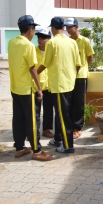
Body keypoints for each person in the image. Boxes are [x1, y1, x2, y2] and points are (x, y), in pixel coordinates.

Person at [8, 15, 53, 161]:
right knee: (33, 120)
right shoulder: (28, 45)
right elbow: (32, 69)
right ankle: (36, 150)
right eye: (34, 30)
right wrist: (39, 89)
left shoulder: (11, 43)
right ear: (30, 30)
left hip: (15, 88)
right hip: (27, 89)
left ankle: (19, 148)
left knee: (18, 119)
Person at [38, 17, 81, 154]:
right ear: (63, 28)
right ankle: (58, 140)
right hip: (69, 83)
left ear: (52, 28)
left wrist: (32, 74)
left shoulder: (52, 43)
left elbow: (45, 63)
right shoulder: (72, 42)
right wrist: (71, 76)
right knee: (62, 114)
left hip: (58, 85)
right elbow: (78, 64)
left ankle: (68, 146)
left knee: (63, 116)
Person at [65, 18, 94, 139]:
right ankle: (70, 126)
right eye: (66, 27)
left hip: (81, 76)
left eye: (70, 27)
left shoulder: (85, 41)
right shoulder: (67, 41)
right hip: (69, 75)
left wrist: (84, 68)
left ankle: (77, 127)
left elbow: (89, 57)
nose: (68, 29)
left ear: (76, 27)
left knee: (79, 102)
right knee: (70, 102)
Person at [34, 28, 55, 138]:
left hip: (49, 85)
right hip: (36, 86)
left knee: (48, 110)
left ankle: (46, 129)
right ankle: (34, 131)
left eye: (43, 38)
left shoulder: (51, 51)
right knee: (35, 110)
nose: (40, 40)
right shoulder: (33, 51)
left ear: (49, 39)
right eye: (39, 37)